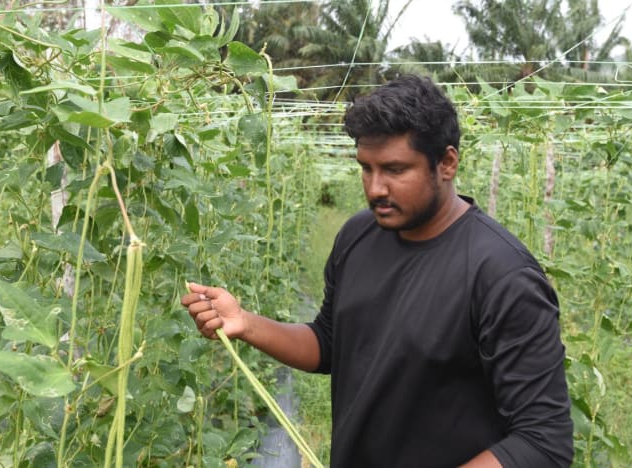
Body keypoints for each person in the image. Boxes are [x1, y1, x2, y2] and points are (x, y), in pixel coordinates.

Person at [181, 75, 573, 467]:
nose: (375, 188)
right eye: (366, 169)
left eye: (395, 169)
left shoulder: (502, 275)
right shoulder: (358, 236)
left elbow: (542, 443)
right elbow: (330, 342)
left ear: (447, 163)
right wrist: (245, 323)